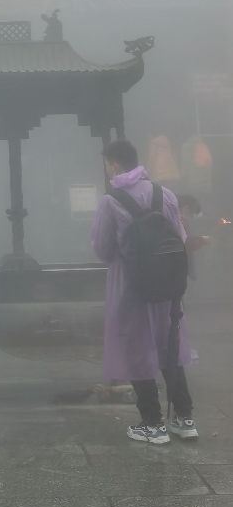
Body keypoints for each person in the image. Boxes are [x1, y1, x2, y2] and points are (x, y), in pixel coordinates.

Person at [91, 140, 197, 444]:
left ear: (114, 163)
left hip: (130, 285)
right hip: (166, 282)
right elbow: (180, 237)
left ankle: (153, 424)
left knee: (135, 348)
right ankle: (185, 419)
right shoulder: (166, 194)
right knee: (169, 345)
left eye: (107, 164)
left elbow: (102, 248)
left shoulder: (110, 201)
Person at [178, 193, 210, 281]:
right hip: (181, 270)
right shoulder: (179, 221)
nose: (191, 217)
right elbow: (184, 244)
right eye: (191, 213)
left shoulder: (177, 219)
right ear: (186, 208)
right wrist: (202, 240)